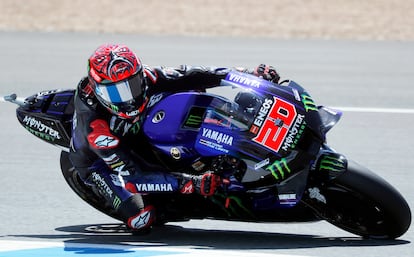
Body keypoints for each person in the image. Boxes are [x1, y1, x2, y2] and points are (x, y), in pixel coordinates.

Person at [69, 43, 280, 232]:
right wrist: (192, 183)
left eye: (132, 85)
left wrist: (247, 75)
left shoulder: (147, 77)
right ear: (99, 91)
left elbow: (193, 73)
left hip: (133, 130)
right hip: (101, 162)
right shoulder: (97, 129)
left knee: (191, 88)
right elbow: (134, 176)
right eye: (116, 94)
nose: (129, 97)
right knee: (140, 220)